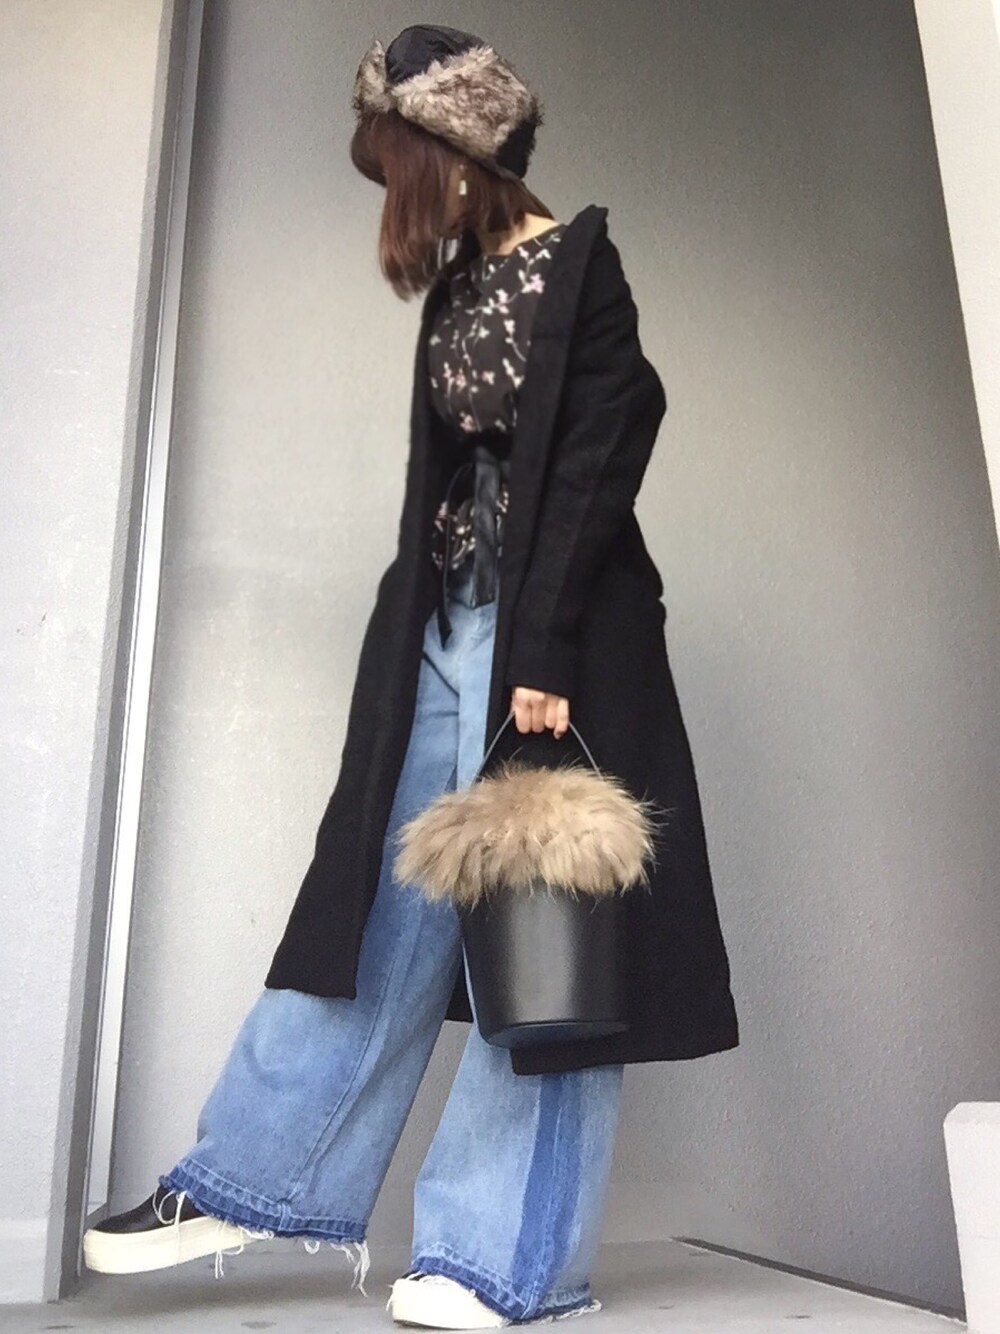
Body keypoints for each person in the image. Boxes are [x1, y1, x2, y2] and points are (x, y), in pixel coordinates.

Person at [83, 23, 740, 1331]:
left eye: (398, 165)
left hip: (558, 649)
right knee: (374, 909)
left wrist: (543, 651)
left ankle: (503, 1259)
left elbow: (610, 441)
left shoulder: (579, 264)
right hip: (446, 631)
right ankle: (250, 1176)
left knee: (545, 940)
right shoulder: (458, 292)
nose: (391, 193)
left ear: (458, 154)